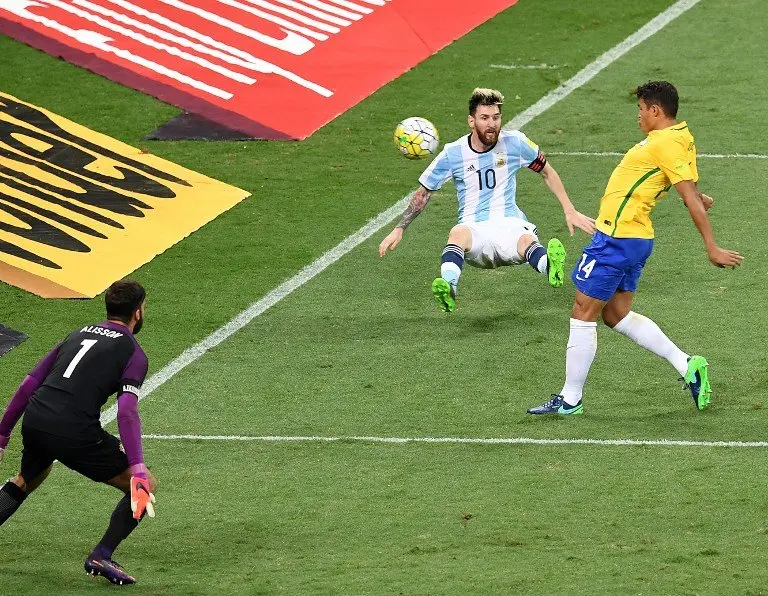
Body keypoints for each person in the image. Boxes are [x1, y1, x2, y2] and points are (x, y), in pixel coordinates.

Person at [527, 81, 743, 416]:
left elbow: (686, 194)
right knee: (615, 315)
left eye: (641, 109)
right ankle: (686, 364)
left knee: (583, 311)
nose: (638, 116)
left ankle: (570, 399)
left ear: (656, 110)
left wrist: (711, 246)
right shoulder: (680, 136)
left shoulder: (666, 143)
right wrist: (700, 198)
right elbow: (686, 186)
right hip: (635, 238)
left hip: (617, 238)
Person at [379, 88, 596, 312]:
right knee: (457, 234)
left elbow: (547, 171)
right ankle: (449, 288)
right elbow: (423, 193)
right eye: (484, 118)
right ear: (471, 121)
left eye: (496, 117)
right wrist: (399, 228)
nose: (491, 124)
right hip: (474, 230)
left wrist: (569, 210)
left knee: (525, 240)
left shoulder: (515, 142)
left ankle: (550, 267)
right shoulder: (453, 153)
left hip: (509, 221)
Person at [0, 280, 156, 585]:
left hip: (36, 417)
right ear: (137, 313)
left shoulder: (77, 334)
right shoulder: (133, 353)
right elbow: (125, 411)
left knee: (29, 477)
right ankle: (102, 553)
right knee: (144, 486)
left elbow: (29, 383)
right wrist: (137, 466)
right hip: (72, 430)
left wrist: (3, 433)